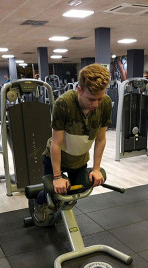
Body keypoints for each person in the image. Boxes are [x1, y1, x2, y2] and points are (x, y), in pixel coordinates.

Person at [34, 63, 112, 221]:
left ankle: (57, 207)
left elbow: (101, 139)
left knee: (76, 191)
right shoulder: (64, 104)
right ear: (79, 90)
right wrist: (56, 177)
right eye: (91, 99)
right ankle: (39, 200)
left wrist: (96, 169)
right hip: (56, 158)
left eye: (99, 99)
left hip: (79, 159)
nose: (96, 104)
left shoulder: (105, 104)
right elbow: (56, 143)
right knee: (54, 191)